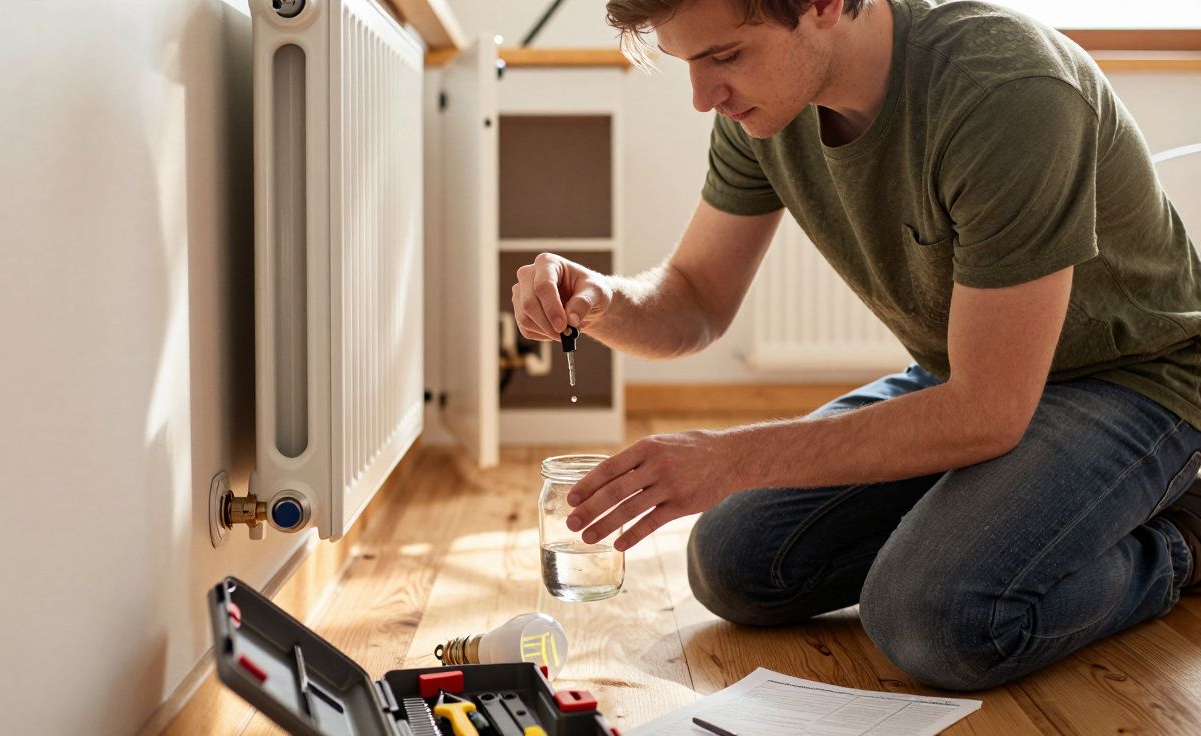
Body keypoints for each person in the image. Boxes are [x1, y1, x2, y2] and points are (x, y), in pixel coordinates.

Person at [508, 0, 1201, 691]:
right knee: (735, 564)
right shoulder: (764, 111)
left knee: (932, 617)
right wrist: (598, 299)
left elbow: (989, 411)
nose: (702, 97)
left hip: (1137, 382)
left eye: (724, 56)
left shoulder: (1008, 90)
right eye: (690, 62)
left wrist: (726, 459)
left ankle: (1181, 542)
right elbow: (694, 299)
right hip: (968, 379)